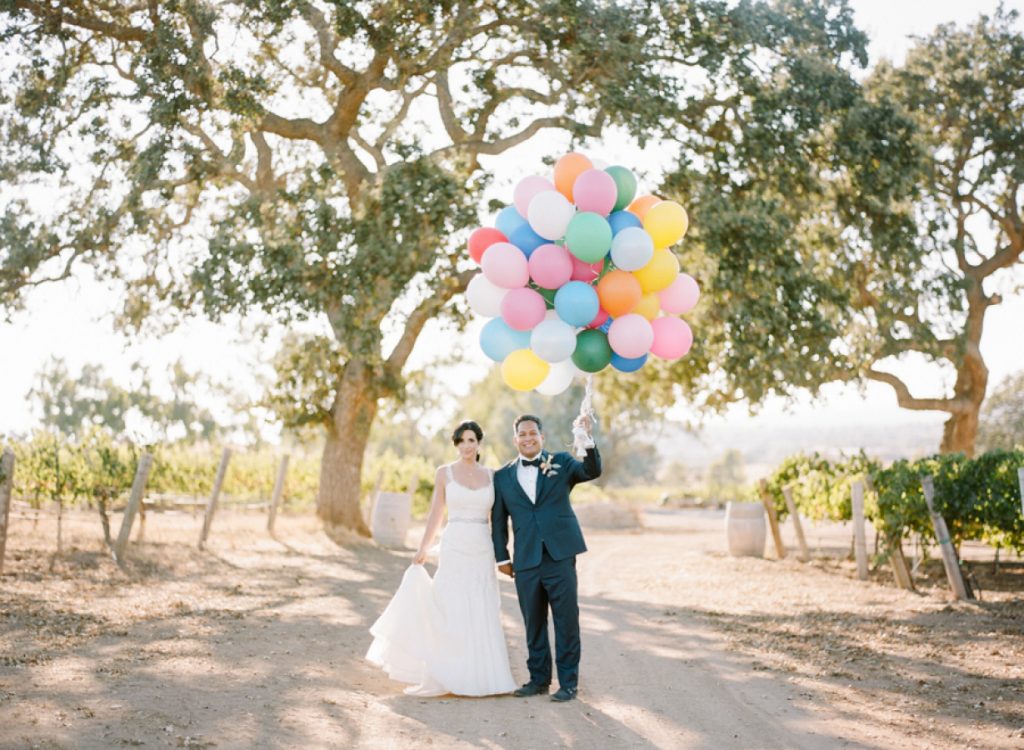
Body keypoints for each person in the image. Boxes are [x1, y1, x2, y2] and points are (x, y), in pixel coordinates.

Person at [366, 420, 517, 697]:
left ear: (479, 444)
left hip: (481, 546)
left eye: (472, 440)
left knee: (481, 603)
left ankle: (484, 676)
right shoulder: (444, 473)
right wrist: (423, 547)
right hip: (455, 543)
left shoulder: (492, 476)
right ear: (456, 444)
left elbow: (498, 519)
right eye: (461, 441)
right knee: (450, 603)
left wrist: (501, 554)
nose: (466, 446)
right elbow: (436, 513)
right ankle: (447, 673)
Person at [491, 413, 601, 703]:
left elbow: (592, 471)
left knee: (566, 621)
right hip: (525, 559)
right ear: (515, 439)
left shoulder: (562, 463)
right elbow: (499, 520)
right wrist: (501, 557)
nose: (528, 438)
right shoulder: (502, 476)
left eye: (533, 433)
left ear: (542, 437)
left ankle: (568, 684)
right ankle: (538, 680)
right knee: (533, 623)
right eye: (522, 434)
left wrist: (586, 439)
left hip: (560, 555)